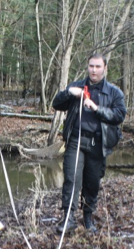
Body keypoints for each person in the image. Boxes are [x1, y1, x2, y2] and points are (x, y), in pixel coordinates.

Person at [52, 53, 127, 233]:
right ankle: (68, 219)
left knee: (92, 182)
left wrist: (96, 108)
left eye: (98, 67)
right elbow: (56, 104)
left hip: (98, 144)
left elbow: (119, 115)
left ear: (105, 68)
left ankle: (88, 218)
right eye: (91, 66)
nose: (94, 70)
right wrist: (69, 93)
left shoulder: (114, 92)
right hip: (76, 141)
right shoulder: (77, 86)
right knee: (71, 179)